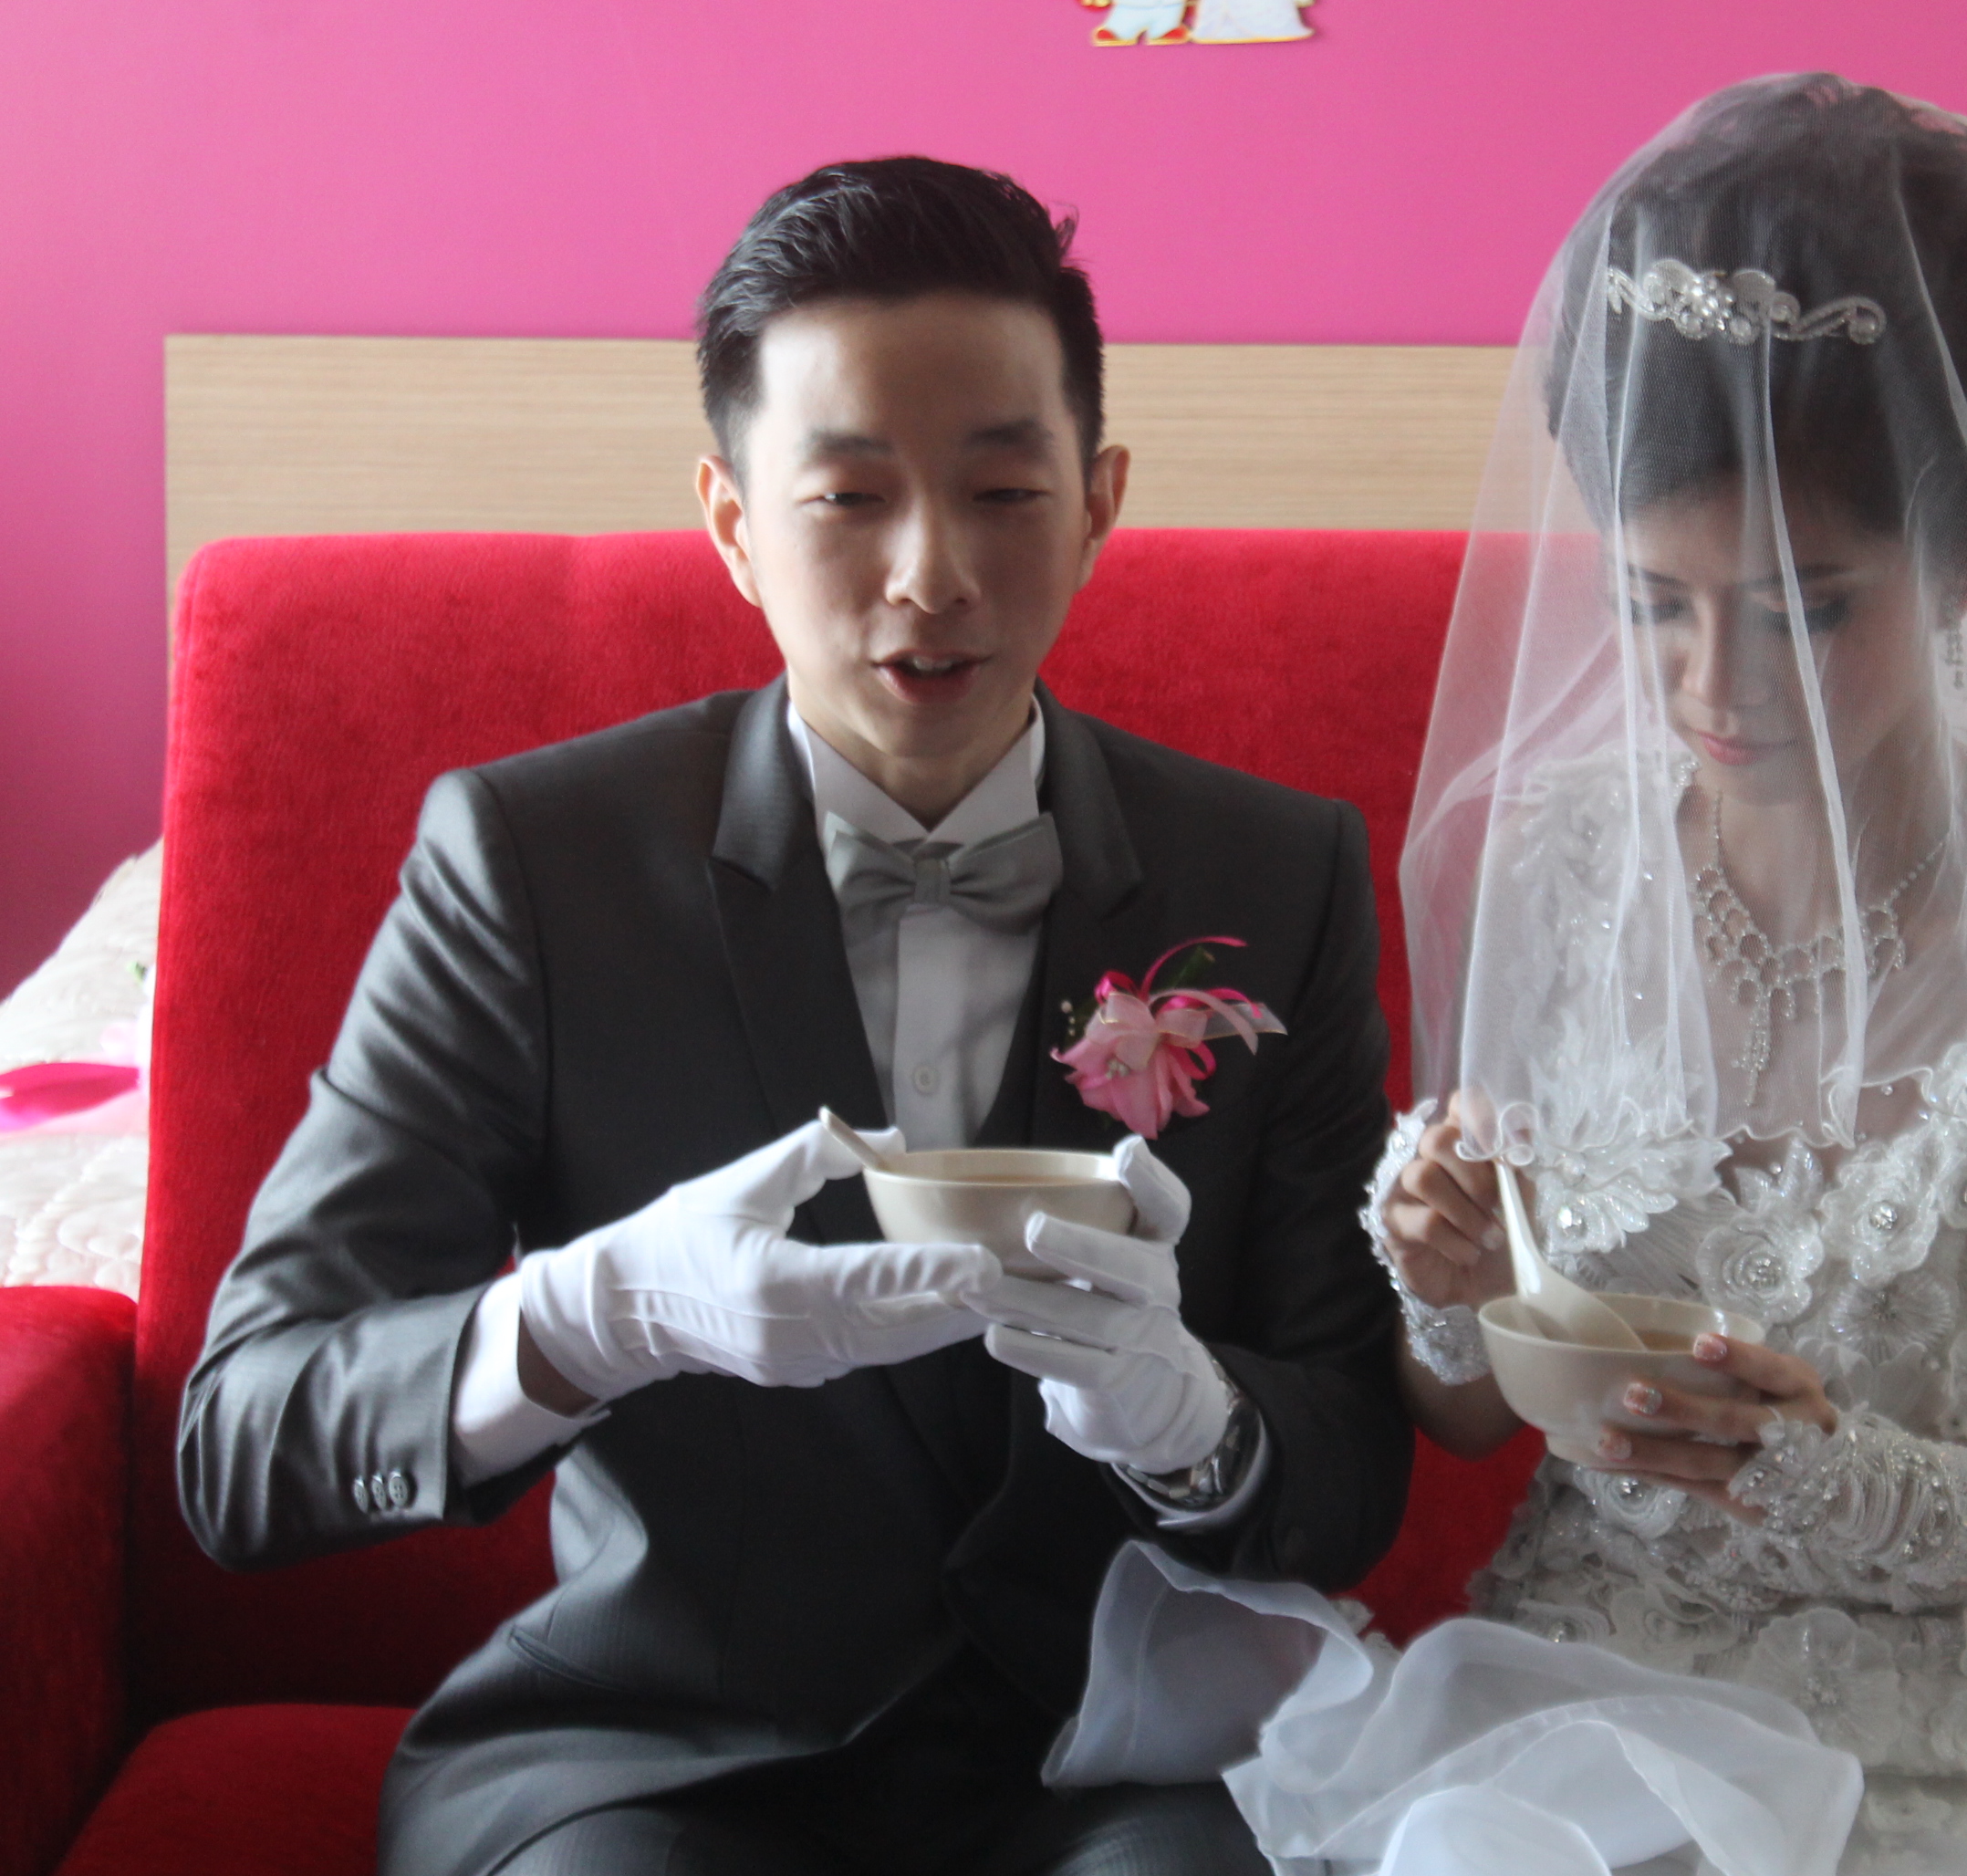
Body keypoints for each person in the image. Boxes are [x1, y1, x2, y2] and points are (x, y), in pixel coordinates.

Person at [1065, 77, 1967, 1876]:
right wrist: (1461, 1279)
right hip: (1557, 1732)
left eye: (1803, 609)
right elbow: (1464, 1410)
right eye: (1651, 604)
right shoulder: (1563, 869)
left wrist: (1846, 1485)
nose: (1714, 686)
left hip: (1926, 1768)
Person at [176, 157, 1410, 1876]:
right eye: (847, 497)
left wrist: (1196, 1427)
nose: (931, 574)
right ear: (734, 524)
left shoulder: (1278, 875)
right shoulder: (532, 862)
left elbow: (1353, 1459)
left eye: (1003, 490)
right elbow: (248, 1439)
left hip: (1121, 1759)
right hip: (660, 1758)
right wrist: (593, 1318)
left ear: (1100, 501)